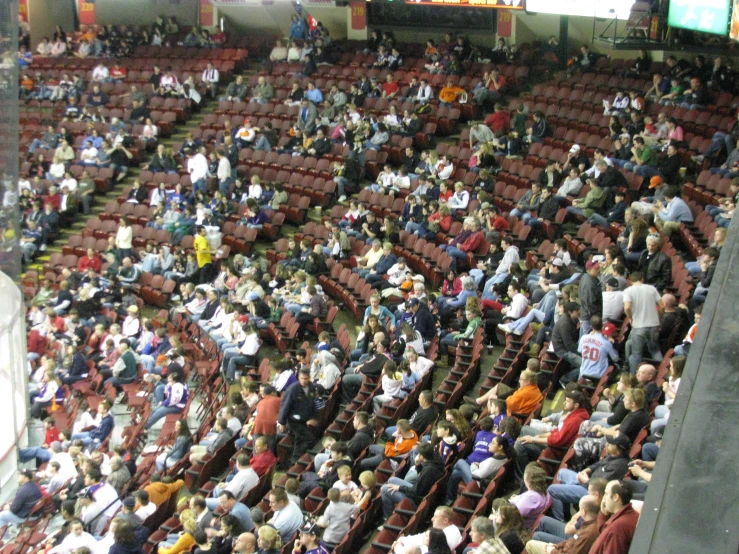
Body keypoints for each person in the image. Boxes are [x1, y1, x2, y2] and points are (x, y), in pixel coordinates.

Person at [547, 435, 631, 522]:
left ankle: (558, 521)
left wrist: (586, 480)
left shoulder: (619, 466)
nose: (607, 445)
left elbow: (602, 486)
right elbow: (598, 464)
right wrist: (586, 471)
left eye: (610, 444)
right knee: (562, 473)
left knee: (552, 490)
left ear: (618, 450)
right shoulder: (613, 456)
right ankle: (566, 513)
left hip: (592, 491)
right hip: (588, 482)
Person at [514, 391, 590, 479]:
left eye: (568, 401)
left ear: (576, 405)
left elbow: (556, 441)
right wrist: (540, 436)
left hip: (555, 449)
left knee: (519, 445)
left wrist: (533, 439)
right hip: (554, 442)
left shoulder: (575, 420)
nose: (564, 403)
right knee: (525, 429)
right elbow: (557, 430)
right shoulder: (575, 414)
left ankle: (522, 478)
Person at [523, 495, 601, 554]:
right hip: (564, 547)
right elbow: (573, 539)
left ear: (583, 511)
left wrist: (552, 551)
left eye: (580, 509)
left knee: (530, 544)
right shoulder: (588, 524)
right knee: (543, 521)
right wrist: (557, 546)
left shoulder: (588, 534)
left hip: (562, 551)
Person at [623, 272, 663, 373]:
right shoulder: (652, 288)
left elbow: (627, 307)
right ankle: (660, 372)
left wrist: (630, 317)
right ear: (642, 279)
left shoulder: (628, 291)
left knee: (636, 354)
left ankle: (632, 378)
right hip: (654, 324)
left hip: (638, 326)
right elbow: (662, 306)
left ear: (630, 281)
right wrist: (659, 318)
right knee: (655, 350)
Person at [561, 316, 619, 386]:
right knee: (616, 366)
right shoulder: (606, 342)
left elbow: (580, 351)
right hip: (599, 375)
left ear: (591, 327)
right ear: (602, 327)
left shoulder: (583, 338)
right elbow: (615, 358)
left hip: (584, 373)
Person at [278, 369, 318, 464]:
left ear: (309, 378)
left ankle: (292, 461)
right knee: (305, 439)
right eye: (302, 378)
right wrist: (282, 422)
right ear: (298, 378)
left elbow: (313, 403)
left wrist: (313, 417)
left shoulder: (312, 387)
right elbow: (285, 406)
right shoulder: (292, 389)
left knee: (296, 440)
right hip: (293, 420)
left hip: (305, 419)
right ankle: (295, 462)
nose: (304, 380)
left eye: (306, 378)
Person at [588, 481, 639, 554]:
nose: (603, 498)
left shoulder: (617, 528)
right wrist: (603, 515)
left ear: (615, 497)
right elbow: (606, 537)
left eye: (606, 494)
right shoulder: (631, 514)